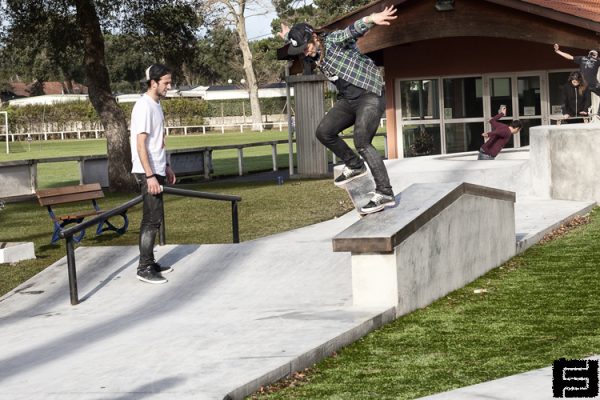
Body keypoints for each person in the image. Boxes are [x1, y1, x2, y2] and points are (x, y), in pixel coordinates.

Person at [279, 6, 397, 214]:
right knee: (323, 131)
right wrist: (289, 37)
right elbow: (297, 43)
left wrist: (372, 18)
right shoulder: (310, 53)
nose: (306, 53)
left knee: (361, 140)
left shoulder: (332, 41)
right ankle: (355, 165)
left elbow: (352, 30)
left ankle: (385, 192)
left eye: (307, 47)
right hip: (349, 100)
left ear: (314, 37)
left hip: (370, 94)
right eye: (302, 51)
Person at [130, 64, 177, 284]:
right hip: (145, 171)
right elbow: (141, 145)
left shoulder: (157, 105)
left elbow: (158, 140)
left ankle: (150, 261)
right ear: (153, 83)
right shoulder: (144, 106)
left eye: (169, 82)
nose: (169, 86)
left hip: (157, 168)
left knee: (155, 218)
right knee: (151, 219)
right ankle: (144, 267)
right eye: (166, 83)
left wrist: (165, 165)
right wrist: (149, 176)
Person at [553, 44, 600, 116]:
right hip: (590, 84)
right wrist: (558, 51)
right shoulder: (595, 60)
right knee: (581, 98)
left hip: (585, 84)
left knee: (580, 97)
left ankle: (590, 112)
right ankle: (587, 112)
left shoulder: (582, 58)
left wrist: (558, 51)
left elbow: (570, 57)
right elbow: (569, 57)